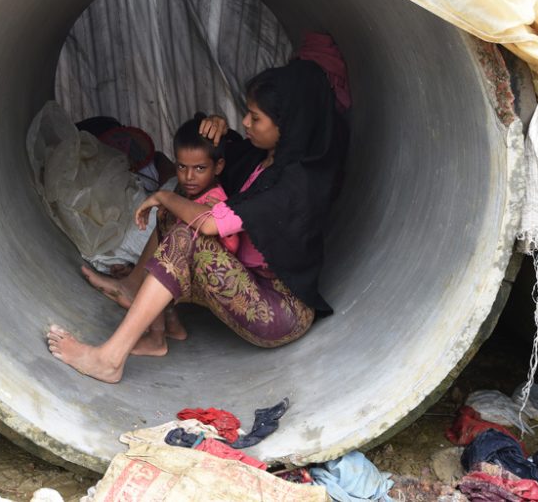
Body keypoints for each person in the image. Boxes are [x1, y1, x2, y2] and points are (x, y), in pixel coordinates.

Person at [48, 59, 344, 383]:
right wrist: (217, 127)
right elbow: (220, 160)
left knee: (186, 230)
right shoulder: (263, 157)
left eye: (255, 117)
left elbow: (209, 225)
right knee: (182, 199)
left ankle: (109, 359)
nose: (245, 121)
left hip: (277, 312)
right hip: (248, 280)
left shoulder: (294, 183)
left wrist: (160, 196)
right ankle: (151, 318)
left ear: (285, 126)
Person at [80, 114, 238, 354]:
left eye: (200, 168)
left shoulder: (215, 201)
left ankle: (156, 338)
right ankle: (171, 325)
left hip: (214, 278)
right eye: (182, 167)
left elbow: (229, 245)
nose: (188, 176)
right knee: (167, 234)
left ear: (219, 167)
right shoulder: (193, 193)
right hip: (193, 273)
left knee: (166, 254)